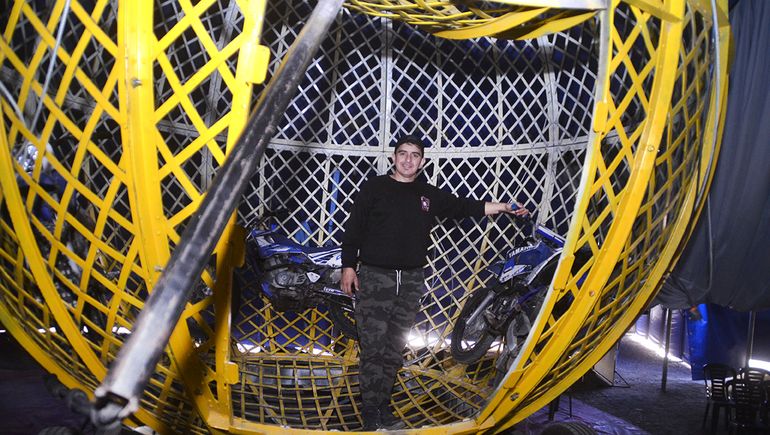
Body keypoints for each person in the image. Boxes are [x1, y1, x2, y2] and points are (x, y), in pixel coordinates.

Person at [340, 134, 529, 430]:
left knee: (393, 349)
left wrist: (505, 207)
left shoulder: (428, 194)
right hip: (376, 278)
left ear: (422, 162)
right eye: (402, 153)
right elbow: (353, 229)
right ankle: (369, 412)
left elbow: (467, 207)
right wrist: (348, 267)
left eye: (414, 155)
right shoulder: (374, 188)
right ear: (393, 157)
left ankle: (383, 406)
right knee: (373, 348)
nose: (407, 160)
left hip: (412, 281)